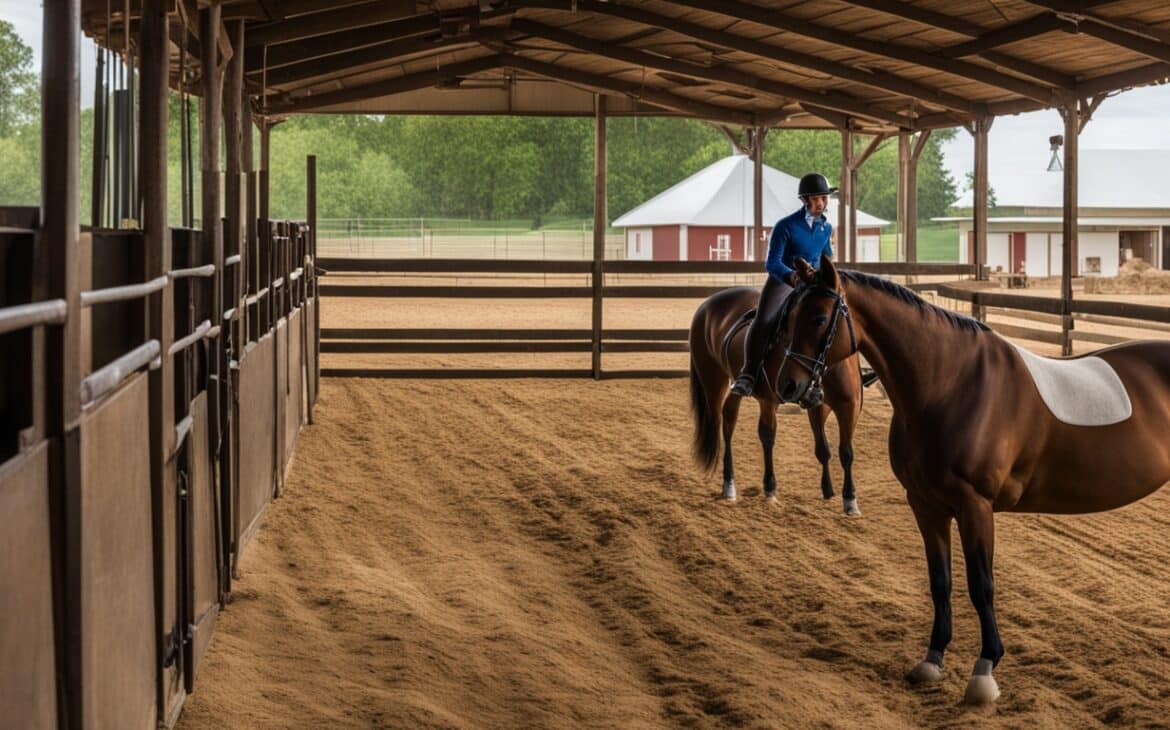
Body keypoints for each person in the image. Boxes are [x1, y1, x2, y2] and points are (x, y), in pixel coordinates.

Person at [730, 172, 837, 397]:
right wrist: (792, 276)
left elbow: (827, 257)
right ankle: (748, 374)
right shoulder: (785, 226)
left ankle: (836, 374)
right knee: (765, 319)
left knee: (838, 316)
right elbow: (772, 263)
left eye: (825, 198)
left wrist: (826, 275)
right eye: (817, 199)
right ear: (805, 200)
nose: (822, 203)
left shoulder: (826, 228)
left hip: (813, 283)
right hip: (784, 281)